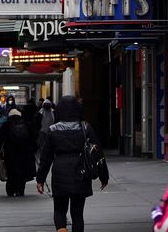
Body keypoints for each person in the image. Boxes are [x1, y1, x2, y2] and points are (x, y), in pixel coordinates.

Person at [37, 96, 109, 232]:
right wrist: (103, 176)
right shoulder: (85, 127)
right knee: (77, 213)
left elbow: (45, 158)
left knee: (59, 209)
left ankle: (61, 229)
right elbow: (97, 153)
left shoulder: (52, 130)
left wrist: (40, 179)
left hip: (60, 172)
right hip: (81, 172)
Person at [0, 109, 37, 196]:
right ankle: (20, 190)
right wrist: (34, 149)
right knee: (22, 171)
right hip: (25, 153)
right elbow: (34, 137)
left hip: (10, 153)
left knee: (11, 171)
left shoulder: (6, 125)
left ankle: (10, 190)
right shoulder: (26, 124)